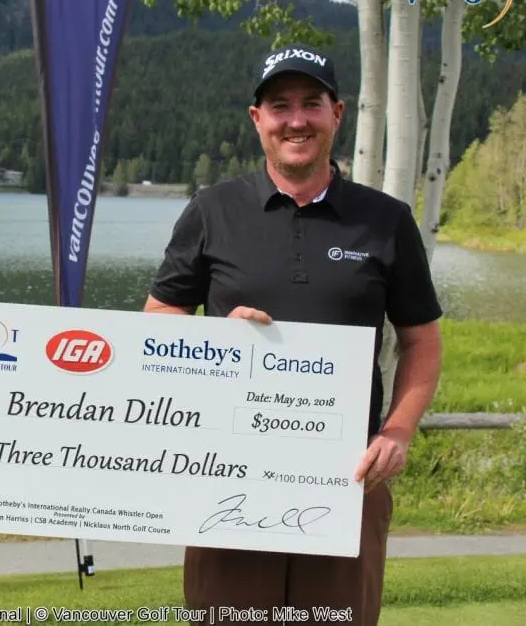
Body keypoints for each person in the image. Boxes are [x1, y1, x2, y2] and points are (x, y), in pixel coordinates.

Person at [144, 45, 442, 626]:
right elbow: (158, 318)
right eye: (280, 106)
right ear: (258, 119)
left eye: (311, 103)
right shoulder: (212, 210)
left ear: (338, 112)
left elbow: (422, 342)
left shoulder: (386, 220)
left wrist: (399, 430)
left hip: (348, 478)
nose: (296, 119)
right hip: (226, 475)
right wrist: (213, 342)